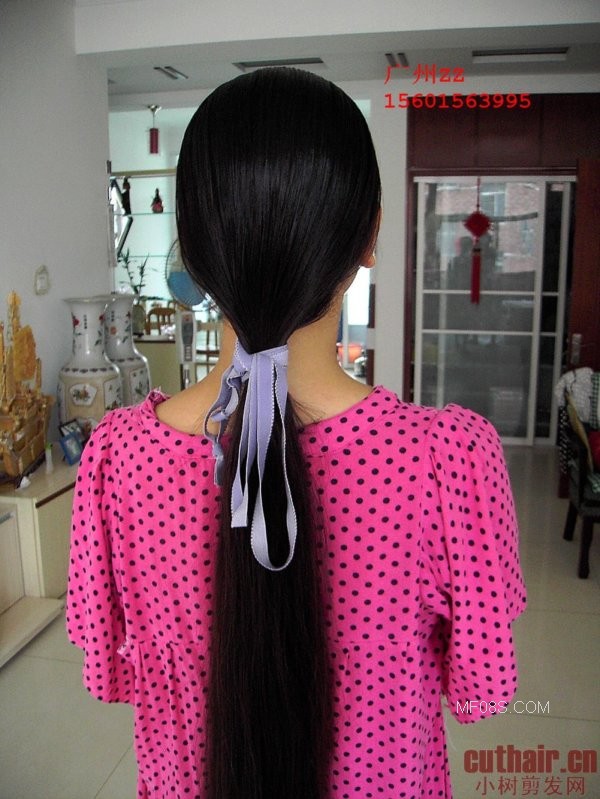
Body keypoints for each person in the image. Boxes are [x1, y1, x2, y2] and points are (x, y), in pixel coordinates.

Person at [66, 68, 526, 799]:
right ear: (369, 236)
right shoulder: (448, 461)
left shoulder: (116, 460)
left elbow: (109, 676)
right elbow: (483, 685)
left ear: (191, 251)